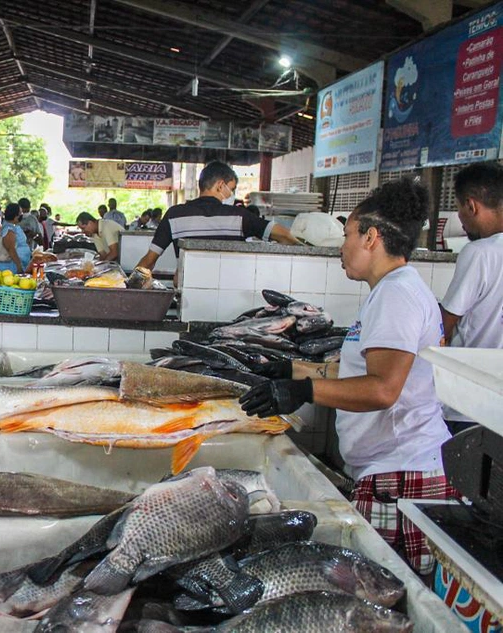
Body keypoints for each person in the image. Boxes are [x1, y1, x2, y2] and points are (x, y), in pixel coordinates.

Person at [239, 178, 455, 576]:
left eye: (347, 235)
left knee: (385, 596)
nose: (342, 247)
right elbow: (361, 372)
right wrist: (293, 369)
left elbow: (383, 389)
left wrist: (303, 391)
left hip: (401, 478)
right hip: (391, 472)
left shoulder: (397, 295)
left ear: (371, 237)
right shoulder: (389, 291)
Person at [136, 161, 298, 271]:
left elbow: (149, 261)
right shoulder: (240, 217)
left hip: (187, 297)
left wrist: (126, 288)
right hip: (231, 299)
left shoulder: (174, 215)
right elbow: (285, 235)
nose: (232, 194)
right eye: (232, 188)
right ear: (221, 185)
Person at [440, 162, 503, 433]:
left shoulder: (479, 252)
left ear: (471, 205)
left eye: (460, 210)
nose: (462, 222)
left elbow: (445, 324)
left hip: (468, 403)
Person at [0, 202, 31, 274]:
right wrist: (19, 267)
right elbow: (11, 250)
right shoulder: (8, 229)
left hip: (18, 265)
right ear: (15, 215)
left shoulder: (13, 226)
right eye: (20, 213)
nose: (21, 215)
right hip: (12, 267)